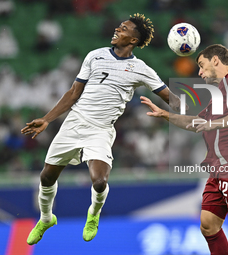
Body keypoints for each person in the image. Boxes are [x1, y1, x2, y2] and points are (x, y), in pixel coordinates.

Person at [21, 13, 181, 245]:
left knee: (99, 182)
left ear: (133, 40)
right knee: (46, 176)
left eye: (124, 28)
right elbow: (73, 93)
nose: (117, 29)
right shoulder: (95, 56)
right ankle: (46, 218)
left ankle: (93, 215)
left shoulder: (140, 68)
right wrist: (47, 119)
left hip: (101, 130)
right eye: (120, 26)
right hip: (74, 123)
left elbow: (172, 99)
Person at [141, 44, 228, 255]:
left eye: (201, 65)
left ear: (215, 60)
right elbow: (197, 123)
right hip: (218, 167)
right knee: (208, 224)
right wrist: (165, 115)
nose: (199, 72)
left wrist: (213, 124)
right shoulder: (218, 96)